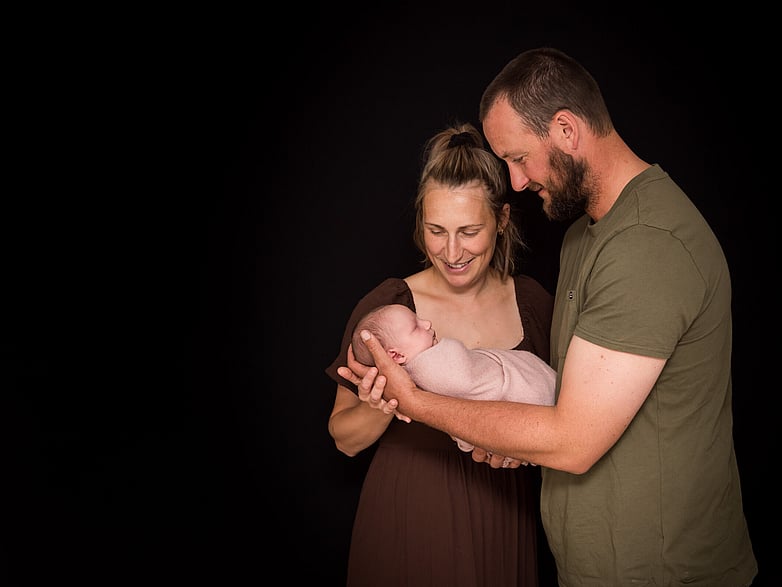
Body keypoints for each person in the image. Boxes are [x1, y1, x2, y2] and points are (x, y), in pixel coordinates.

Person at [341, 47, 758, 586]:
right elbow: (558, 401)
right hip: (597, 566)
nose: (514, 181)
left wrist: (417, 401)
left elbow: (573, 439)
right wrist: (504, 441)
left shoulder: (647, 246)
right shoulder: (586, 237)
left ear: (566, 129)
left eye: (517, 158)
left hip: (661, 570)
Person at [325, 122, 557, 586]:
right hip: (410, 513)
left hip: (503, 516)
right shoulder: (391, 307)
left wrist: (523, 447)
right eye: (436, 231)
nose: (451, 252)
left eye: (469, 231)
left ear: (503, 220)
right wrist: (381, 406)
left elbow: (566, 417)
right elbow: (344, 438)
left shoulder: (533, 303)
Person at [351, 302, 556, 453]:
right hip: (533, 404)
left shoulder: (420, 382)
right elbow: (464, 382)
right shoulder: (432, 371)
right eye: (416, 326)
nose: (427, 323)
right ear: (396, 355)